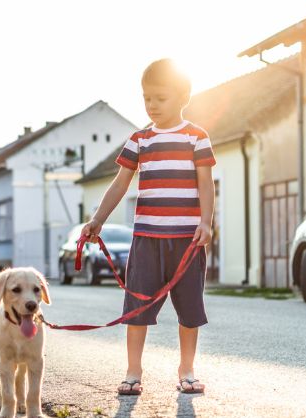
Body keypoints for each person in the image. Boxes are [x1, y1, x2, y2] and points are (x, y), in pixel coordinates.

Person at [80, 58, 215, 395]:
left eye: (160, 98)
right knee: (136, 307)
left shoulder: (196, 137)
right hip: (146, 240)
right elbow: (119, 184)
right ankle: (132, 371)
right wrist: (97, 219)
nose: (152, 105)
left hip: (187, 241)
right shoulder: (140, 140)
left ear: (183, 97)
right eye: (147, 98)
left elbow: (206, 184)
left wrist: (207, 223)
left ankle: (187, 369)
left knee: (190, 308)